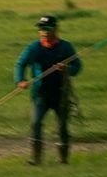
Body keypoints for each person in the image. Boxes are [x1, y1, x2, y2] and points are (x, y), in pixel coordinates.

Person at [15, 14, 81, 165]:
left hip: (61, 94)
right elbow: (20, 64)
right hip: (40, 94)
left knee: (62, 126)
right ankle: (36, 160)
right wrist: (21, 80)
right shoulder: (33, 48)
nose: (43, 32)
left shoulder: (66, 47)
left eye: (47, 28)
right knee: (36, 123)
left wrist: (67, 69)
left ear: (55, 29)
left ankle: (63, 160)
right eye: (41, 28)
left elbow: (78, 67)